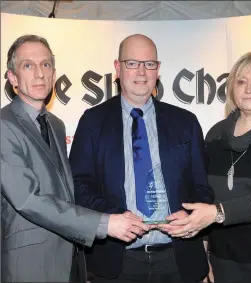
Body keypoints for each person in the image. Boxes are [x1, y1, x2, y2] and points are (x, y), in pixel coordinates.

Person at [1, 34, 150, 283]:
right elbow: (28, 199)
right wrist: (104, 223)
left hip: (70, 260)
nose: (39, 73)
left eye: (46, 65)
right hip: (28, 265)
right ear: (13, 78)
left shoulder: (56, 125)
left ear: (54, 73)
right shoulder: (4, 125)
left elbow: (66, 191)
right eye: (28, 65)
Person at [69, 33, 214, 283]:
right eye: (132, 63)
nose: (141, 72)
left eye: (149, 64)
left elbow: (202, 187)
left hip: (177, 260)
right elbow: (78, 185)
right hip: (116, 261)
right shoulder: (92, 122)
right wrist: (113, 217)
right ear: (117, 68)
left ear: (158, 70)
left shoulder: (186, 122)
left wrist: (189, 215)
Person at [158, 52, 251, 283]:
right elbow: (204, 198)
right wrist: (203, 256)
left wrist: (219, 213)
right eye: (241, 81)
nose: (248, 88)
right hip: (224, 265)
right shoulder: (215, 134)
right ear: (232, 89)